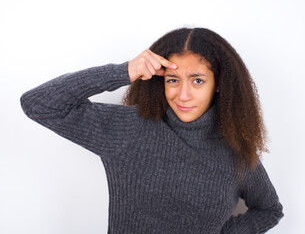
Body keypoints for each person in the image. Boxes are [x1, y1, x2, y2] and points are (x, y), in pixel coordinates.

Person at [20, 27, 283, 233]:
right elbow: (39, 105)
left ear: (218, 85)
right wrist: (122, 72)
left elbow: (269, 209)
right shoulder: (129, 129)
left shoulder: (236, 154)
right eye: (173, 79)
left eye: (198, 81)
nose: (183, 94)